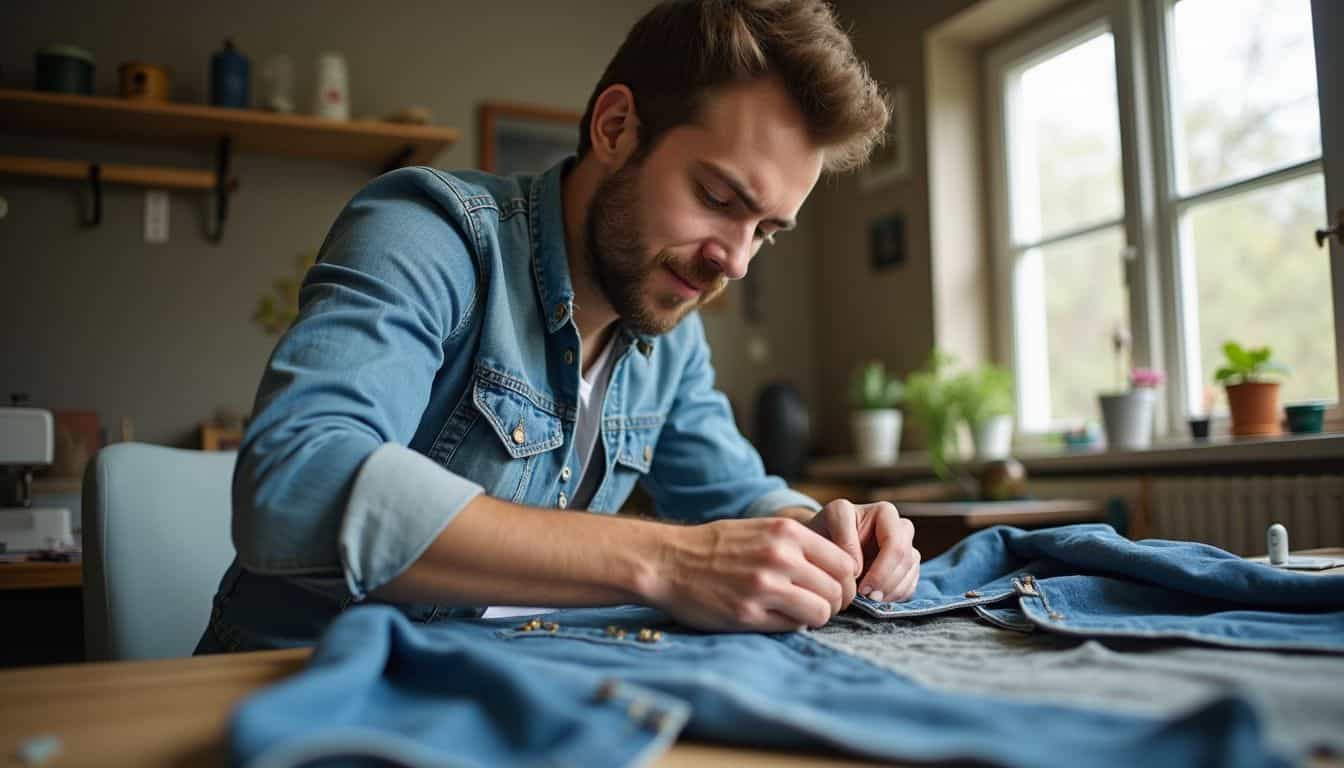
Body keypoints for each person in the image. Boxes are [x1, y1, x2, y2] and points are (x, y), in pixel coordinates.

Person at [197, 0, 919, 654]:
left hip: (494, 697)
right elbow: (292, 487)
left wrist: (829, 534)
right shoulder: (428, 234)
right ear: (615, 129)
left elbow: (737, 498)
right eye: (717, 196)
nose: (733, 262)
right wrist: (667, 562)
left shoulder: (671, 338)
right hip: (288, 689)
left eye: (767, 231)